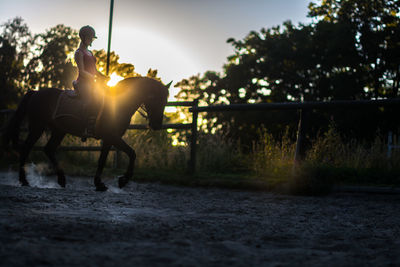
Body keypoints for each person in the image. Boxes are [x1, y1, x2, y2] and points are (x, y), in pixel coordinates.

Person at [74, 25, 107, 138]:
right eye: (90, 38)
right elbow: (82, 71)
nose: (91, 40)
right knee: (89, 102)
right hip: (83, 82)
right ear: (83, 37)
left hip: (93, 82)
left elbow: (95, 70)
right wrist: (93, 78)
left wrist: (103, 76)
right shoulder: (79, 53)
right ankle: (84, 128)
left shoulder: (90, 53)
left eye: (92, 38)